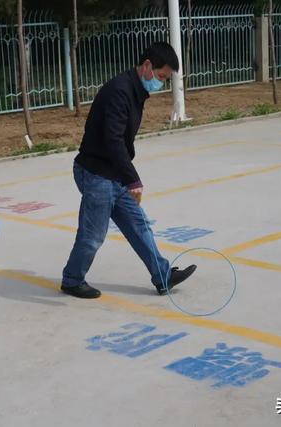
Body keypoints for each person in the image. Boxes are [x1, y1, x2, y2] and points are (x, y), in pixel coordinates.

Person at [61, 42, 197, 299]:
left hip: (114, 174)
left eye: (166, 79)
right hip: (96, 173)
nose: (161, 83)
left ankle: (163, 276)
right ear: (147, 66)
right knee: (93, 236)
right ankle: (72, 280)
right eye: (161, 76)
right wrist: (133, 179)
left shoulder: (134, 90)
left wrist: (126, 177)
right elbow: (113, 140)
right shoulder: (119, 91)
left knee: (139, 225)